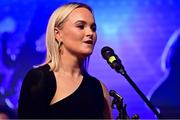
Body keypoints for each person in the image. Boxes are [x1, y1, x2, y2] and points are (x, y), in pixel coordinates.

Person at [18, 2, 112, 119]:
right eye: (81, 26)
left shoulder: (99, 88)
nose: (90, 33)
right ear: (58, 34)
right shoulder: (40, 78)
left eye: (93, 28)